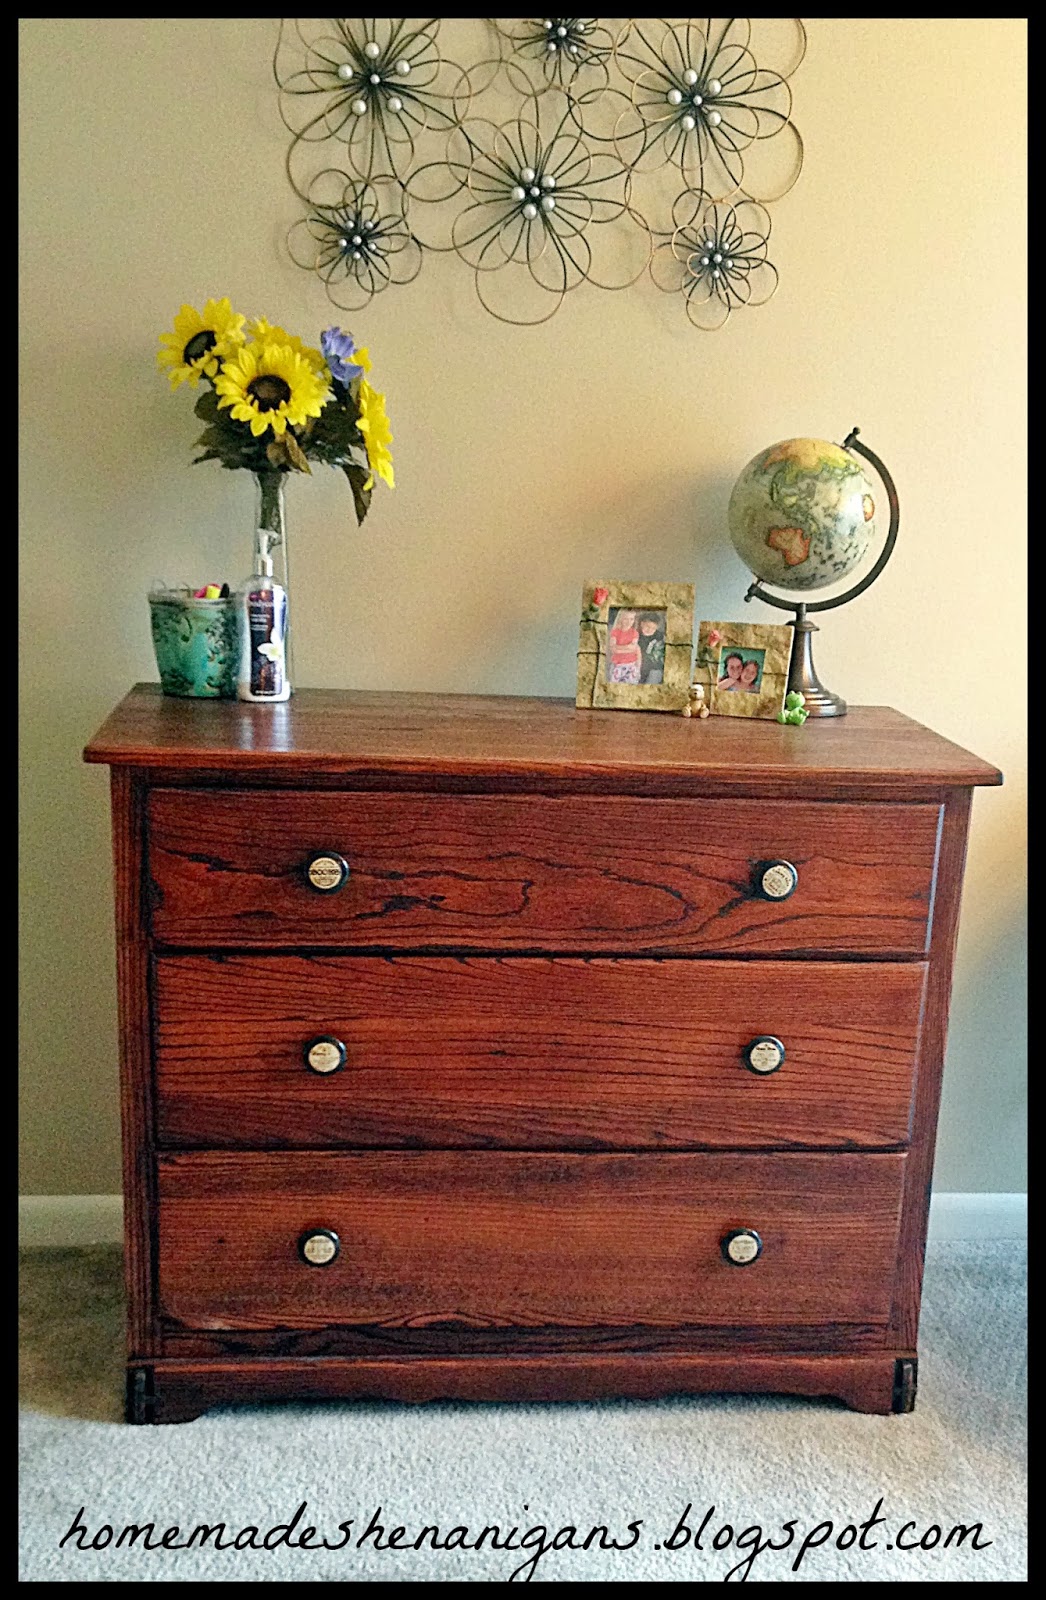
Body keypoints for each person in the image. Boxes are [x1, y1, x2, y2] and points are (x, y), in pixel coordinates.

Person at [607, 608, 641, 684]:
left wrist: (618, 648)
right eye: (626, 619)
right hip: (617, 665)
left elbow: (633, 648)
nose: (629, 622)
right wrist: (627, 647)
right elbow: (613, 649)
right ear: (621, 619)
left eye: (631, 619)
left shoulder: (634, 633)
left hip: (631, 664)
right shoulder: (615, 632)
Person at [637, 612, 665, 684]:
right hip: (638, 667)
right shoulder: (636, 636)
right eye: (647, 626)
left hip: (654, 668)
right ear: (642, 624)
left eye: (653, 628)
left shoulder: (659, 636)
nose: (649, 630)